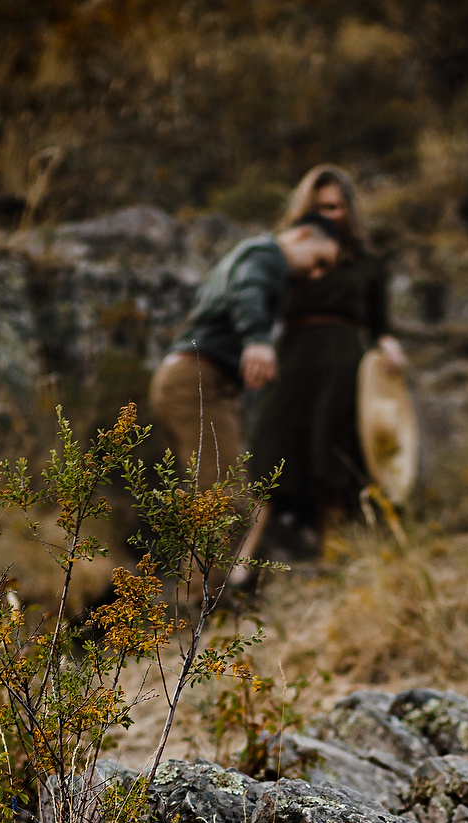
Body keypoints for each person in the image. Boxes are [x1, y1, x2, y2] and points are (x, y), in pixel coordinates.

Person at [240, 165, 406, 563]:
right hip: (293, 358)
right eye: (320, 207)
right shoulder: (291, 253)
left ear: (349, 208)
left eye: (335, 206)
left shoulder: (369, 262)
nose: (329, 214)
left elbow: (380, 324)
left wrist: (390, 346)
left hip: (343, 361)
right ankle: (241, 563)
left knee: (331, 453)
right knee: (271, 451)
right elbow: (256, 296)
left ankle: (329, 554)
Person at [149, 211, 347, 489]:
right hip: (197, 381)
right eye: (320, 262)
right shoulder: (264, 256)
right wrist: (257, 339)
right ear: (303, 235)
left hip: (186, 381)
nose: (316, 274)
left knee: (206, 506)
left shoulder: (255, 258)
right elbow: (247, 287)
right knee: (227, 505)